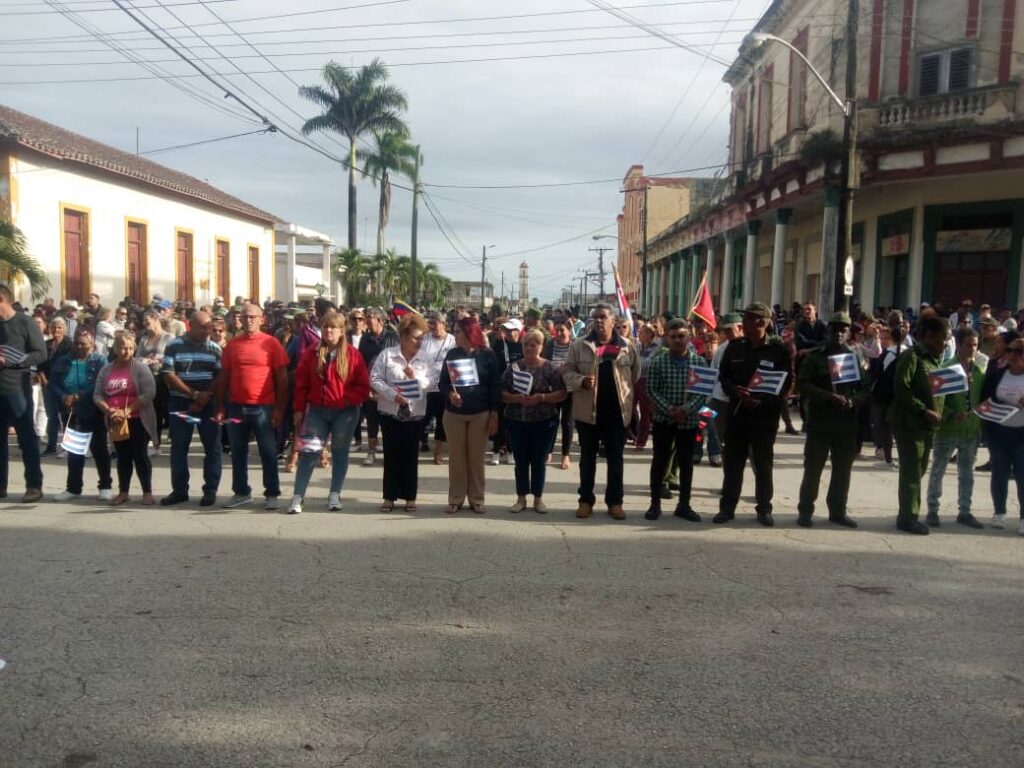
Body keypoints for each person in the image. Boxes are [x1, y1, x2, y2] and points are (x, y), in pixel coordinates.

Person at [714, 302, 792, 527]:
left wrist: (762, 402)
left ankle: (764, 509)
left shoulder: (779, 351)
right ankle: (727, 508)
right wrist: (734, 390)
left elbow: (786, 384)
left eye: (748, 319)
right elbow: (724, 377)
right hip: (737, 414)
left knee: (763, 465)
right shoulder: (734, 347)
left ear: (762, 322)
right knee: (733, 464)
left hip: (764, 418)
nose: (744, 323)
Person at [562, 303, 641, 520]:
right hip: (588, 413)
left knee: (616, 459)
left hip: (617, 413)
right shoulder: (579, 345)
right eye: (595, 317)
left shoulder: (627, 346)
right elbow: (567, 371)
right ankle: (585, 500)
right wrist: (581, 381)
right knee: (587, 459)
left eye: (603, 317)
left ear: (613, 320)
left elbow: (634, 375)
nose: (598, 320)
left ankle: (615, 502)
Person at [287, 312, 369, 515]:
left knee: (340, 452)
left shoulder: (353, 355)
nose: (329, 330)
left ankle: (334, 494)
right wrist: (298, 410)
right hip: (317, 411)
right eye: (325, 327)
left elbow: (363, 386)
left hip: (345, 413)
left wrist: (347, 399)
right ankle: (298, 496)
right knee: (309, 453)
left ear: (342, 331)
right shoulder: (312, 353)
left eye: (333, 327)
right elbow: (301, 384)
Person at [795, 312, 870, 528]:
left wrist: (852, 401)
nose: (838, 333)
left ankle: (838, 511)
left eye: (843, 330)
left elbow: (865, 388)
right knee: (813, 470)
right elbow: (803, 384)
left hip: (846, 424)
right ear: (827, 331)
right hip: (820, 423)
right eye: (834, 329)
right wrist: (828, 396)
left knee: (842, 472)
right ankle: (805, 511)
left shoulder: (855, 358)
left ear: (848, 333)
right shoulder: (815, 357)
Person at [215, 303, 289, 510]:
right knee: (238, 453)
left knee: (268, 452)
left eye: (252, 317)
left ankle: (272, 493)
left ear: (261, 319)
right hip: (236, 407)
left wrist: (279, 409)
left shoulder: (271, 344)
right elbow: (223, 378)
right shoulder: (232, 345)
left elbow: (282, 379)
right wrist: (220, 406)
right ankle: (241, 492)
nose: (248, 320)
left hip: (263, 407)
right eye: (244, 317)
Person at [889, 316, 950, 535]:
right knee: (912, 471)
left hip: (926, 425)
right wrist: (923, 410)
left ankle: (907, 512)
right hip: (909, 423)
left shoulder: (936, 359)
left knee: (919, 469)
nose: (946, 343)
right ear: (930, 336)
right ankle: (908, 518)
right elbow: (901, 389)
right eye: (944, 338)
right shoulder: (912, 356)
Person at [643, 318, 705, 522]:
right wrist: (670, 410)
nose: (678, 340)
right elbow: (651, 390)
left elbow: (702, 393)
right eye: (673, 337)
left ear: (689, 337)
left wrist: (685, 410)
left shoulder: (699, 363)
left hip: (689, 421)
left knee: (686, 464)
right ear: (667, 338)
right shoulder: (658, 362)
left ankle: (684, 505)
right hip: (664, 420)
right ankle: (655, 504)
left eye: (681, 336)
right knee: (659, 461)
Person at [439, 317, 501, 514]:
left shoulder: (487, 355)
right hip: (454, 414)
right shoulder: (452, 354)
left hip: (480, 414)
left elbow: (495, 386)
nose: (454, 335)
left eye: (457, 331)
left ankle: (477, 498)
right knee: (456, 458)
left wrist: (494, 414)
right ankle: (455, 498)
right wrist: (451, 394)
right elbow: (443, 383)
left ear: (468, 333)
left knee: (476, 459)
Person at [160, 311, 223, 507]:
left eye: (209, 327)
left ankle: (210, 491)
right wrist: (194, 395)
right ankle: (179, 491)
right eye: (203, 327)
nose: (207, 331)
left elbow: (219, 377)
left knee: (212, 448)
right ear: (191, 325)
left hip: (208, 403)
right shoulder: (174, 345)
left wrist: (205, 397)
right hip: (180, 402)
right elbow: (168, 374)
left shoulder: (214, 348)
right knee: (179, 447)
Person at [371, 313, 432, 512]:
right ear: (404, 336)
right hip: (391, 412)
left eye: (422, 338)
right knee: (391, 455)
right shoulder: (387, 355)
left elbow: (432, 382)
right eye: (416, 338)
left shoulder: (425, 358)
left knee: (410, 456)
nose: (419, 342)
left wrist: (415, 377)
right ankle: (389, 497)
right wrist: (392, 395)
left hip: (415, 414)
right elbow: (375, 378)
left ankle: (410, 497)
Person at [925, 327, 985, 529]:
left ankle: (965, 511)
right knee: (938, 470)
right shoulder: (947, 369)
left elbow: (982, 398)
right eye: (968, 345)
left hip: (971, 430)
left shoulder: (978, 371)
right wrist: (951, 414)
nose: (972, 349)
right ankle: (933, 509)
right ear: (958, 345)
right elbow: (937, 400)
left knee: (967, 473)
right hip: (948, 430)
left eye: (975, 345)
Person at [502, 328, 567, 513]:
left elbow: (563, 393)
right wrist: (516, 398)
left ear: (541, 346)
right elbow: (501, 392)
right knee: (521, 461)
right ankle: (521, 498)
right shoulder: (513, 367)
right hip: (517, 421)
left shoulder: (551, 368)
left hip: (544, 422)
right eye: (526, 345)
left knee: (539, 462)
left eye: (533, 345)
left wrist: (542, 398)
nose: (529, 348)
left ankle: (538, 499)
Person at [94, 334, 157, 505]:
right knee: (123, 457)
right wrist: (109, 411)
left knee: (140, 456)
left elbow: (149, 393)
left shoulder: (140, 368)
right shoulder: (106, 370)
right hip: (116, 420)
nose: (127, 351)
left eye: (130, 348)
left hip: (137, 419)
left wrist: (127, 411)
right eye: (123, 348)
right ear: (115, 349)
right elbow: (98, 395)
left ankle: (147, 492)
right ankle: (123, 492)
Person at [50, 329, 112, 501]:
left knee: (99, 449)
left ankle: (105, 486)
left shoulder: (100, 361)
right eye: (77, 343)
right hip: (71, 410)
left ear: (91, 344)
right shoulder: (63, 361)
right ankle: (73, 488)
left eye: (83, 344)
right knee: (74, 451)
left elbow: (101, 383)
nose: (79, 347)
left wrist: (78, 396)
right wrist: (63, 396)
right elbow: (53, 383)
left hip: (93, 410)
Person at [0, 282, 47, 501]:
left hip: (17, 389)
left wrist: (11, 361)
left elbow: (41, 353)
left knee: (26, 438)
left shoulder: (25, 322)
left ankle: (34, 486)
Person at [979, 335, 1024, 534]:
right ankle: (999, 512)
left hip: (1021, 436)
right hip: (998, 433)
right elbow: (985, 398)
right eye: (1010, 350)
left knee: (1022, 476)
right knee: (999, 473)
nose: (1013, 354)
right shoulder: (998, 374)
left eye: (1018, 351)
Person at [357, 308, 393, 466]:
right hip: (370, 385)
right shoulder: (364, 339)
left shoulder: (392, 337)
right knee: (372, 421)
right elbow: (360, 362)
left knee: (387, 422)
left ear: (380, 320)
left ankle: (389, 452)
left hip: (388, 386)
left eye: (371, 317)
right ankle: (371, 451)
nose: (368, 320)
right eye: (367, 317)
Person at [419, 311, 456, 464]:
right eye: (430, 323)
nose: (432, 326)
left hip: (444, 387)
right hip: (426, 387)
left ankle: (438, 452)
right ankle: (422, 441)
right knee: (422, 419)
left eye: (435, 323)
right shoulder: (424, 339)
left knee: (442, 421)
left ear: (444, 324)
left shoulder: (452, 341)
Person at [490, 318, 524, 465]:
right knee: (499, 420)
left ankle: (511, 450)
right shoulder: (499, 344)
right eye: (506, 330)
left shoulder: (523, 345)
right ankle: (496, 450)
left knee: (513, 421)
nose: (508, 333)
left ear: (519, 331)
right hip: (500, 387)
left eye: (511, 330)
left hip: (517, 388)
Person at [137, 309, 172, 450]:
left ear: (156, 321)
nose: (145, 324)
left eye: (147, 321)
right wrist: (144, 360)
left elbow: (172, 356)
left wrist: (158, 359)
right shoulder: (144, 339)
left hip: (164, 378)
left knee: (165, 408)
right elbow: (137, 357)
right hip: (147, 378)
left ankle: (170, 436)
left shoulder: (168, 337)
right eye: (143, 322)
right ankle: (154, 441)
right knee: (152, 409)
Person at [543, 319, 575, 468]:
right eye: (557, 330)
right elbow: (544, 363)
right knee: (551, 421)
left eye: (562, 330)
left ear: (569, 330)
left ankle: (565, 455)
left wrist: (567, 369)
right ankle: (548, 451)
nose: (559, 333)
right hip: (553, 389)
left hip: (570, 390)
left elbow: (579, 366)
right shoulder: (550, 344)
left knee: (567, 422)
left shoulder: (575, 346)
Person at [40, 317, 72, 456]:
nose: (56, 330)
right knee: (51, 416)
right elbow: (40, 364)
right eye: (54, 327)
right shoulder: (46, 344)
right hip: (48, 384)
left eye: (59, 327)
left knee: (66, 416)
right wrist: (43, 379)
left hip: (64, 385)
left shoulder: (69, 344)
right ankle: (51, 446)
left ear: (64, 329)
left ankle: (68, 447)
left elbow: (71, 364)